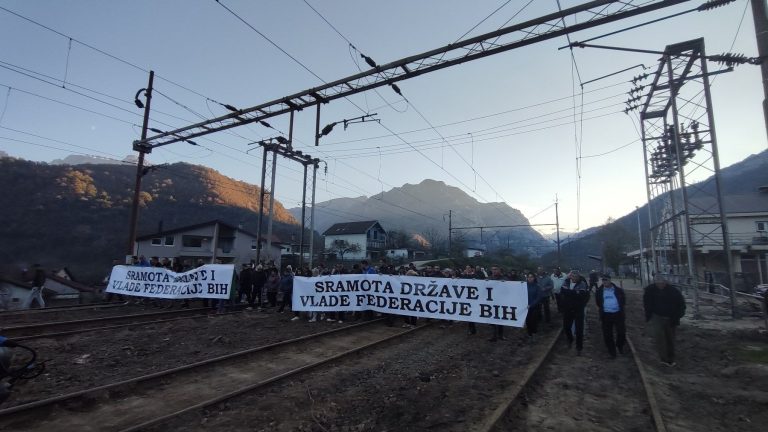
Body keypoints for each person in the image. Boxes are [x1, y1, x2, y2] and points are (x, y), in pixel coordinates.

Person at [643, 274, 686, 366]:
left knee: (670, 338)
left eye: (662, 283)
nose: (660, 285)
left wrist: (678, 316)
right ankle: (663, 358)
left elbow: (681, 304)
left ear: (665, 282)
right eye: (658, 283)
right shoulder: (650, 290)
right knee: (659, 337)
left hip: (670, 317)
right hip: (656, 316)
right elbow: (646, 303)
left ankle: (671, 358)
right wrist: (648, 315)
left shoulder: (674, 291)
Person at [595, 274, 626, 358]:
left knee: (621, 332)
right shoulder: (599, 291)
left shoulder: (618, 290)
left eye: (606, 280)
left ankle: (619, 345)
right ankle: (612, 351)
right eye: (603, 280)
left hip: (618, 314)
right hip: (606, 315)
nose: (605, 282)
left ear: (610, 280)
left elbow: (623, 301)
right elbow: (598, 302)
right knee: (607, 334)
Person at [560, 270, 590, 355]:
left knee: (579, 329)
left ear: (578, 277)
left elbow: (581, 295)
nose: (573, 278)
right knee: (566, 327)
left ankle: (579, 348)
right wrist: (575, 293)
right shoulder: (566, 282)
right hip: (567, 309)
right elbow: (562, 291)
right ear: (570, 276)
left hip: (578, 309)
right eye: (572, 276)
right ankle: (570, 339)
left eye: (575, 277)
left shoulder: (582, 283)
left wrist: (569, 293)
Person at [525, 272, 542, 342]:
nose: (530, 278)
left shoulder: (537, 286)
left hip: (535, 307)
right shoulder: (524, 286)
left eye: (531, 277)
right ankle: (529, 335)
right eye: (528, 277)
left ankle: (534, 334)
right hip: (526, 308)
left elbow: (538, 298)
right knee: (528, 322)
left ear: (534, 278)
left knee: (534, 321)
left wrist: (531, 305)